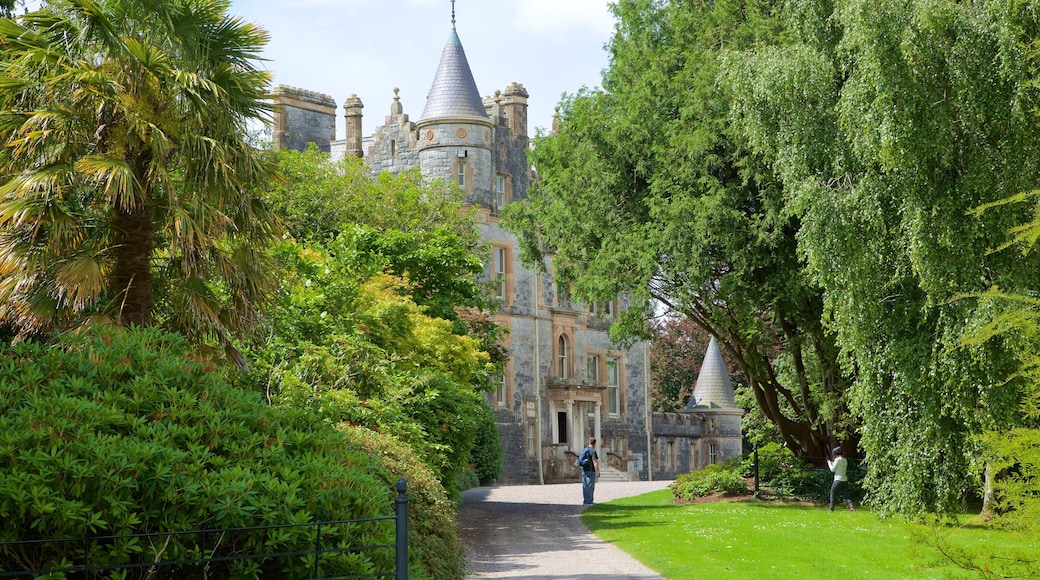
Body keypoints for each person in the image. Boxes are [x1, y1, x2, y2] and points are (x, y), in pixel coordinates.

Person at [827, 446, 854, 512]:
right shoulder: (845, 460)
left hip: (838, 480)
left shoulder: (837, 460)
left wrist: (829, 463)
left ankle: (831, 508)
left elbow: (832, 470)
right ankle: (852, 507)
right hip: (844, 480)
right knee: (846, 495)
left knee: (832, 493)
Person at [580, 437, 599, 505]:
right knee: (590, 486)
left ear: (589, 442)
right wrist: (597, 471)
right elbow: (595, 461)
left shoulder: (585, 450)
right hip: (590, 471)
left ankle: (585, 500)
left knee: (585, 486)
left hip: (584, 470)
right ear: (594, 443)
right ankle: (589, 501)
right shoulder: (593, 451)